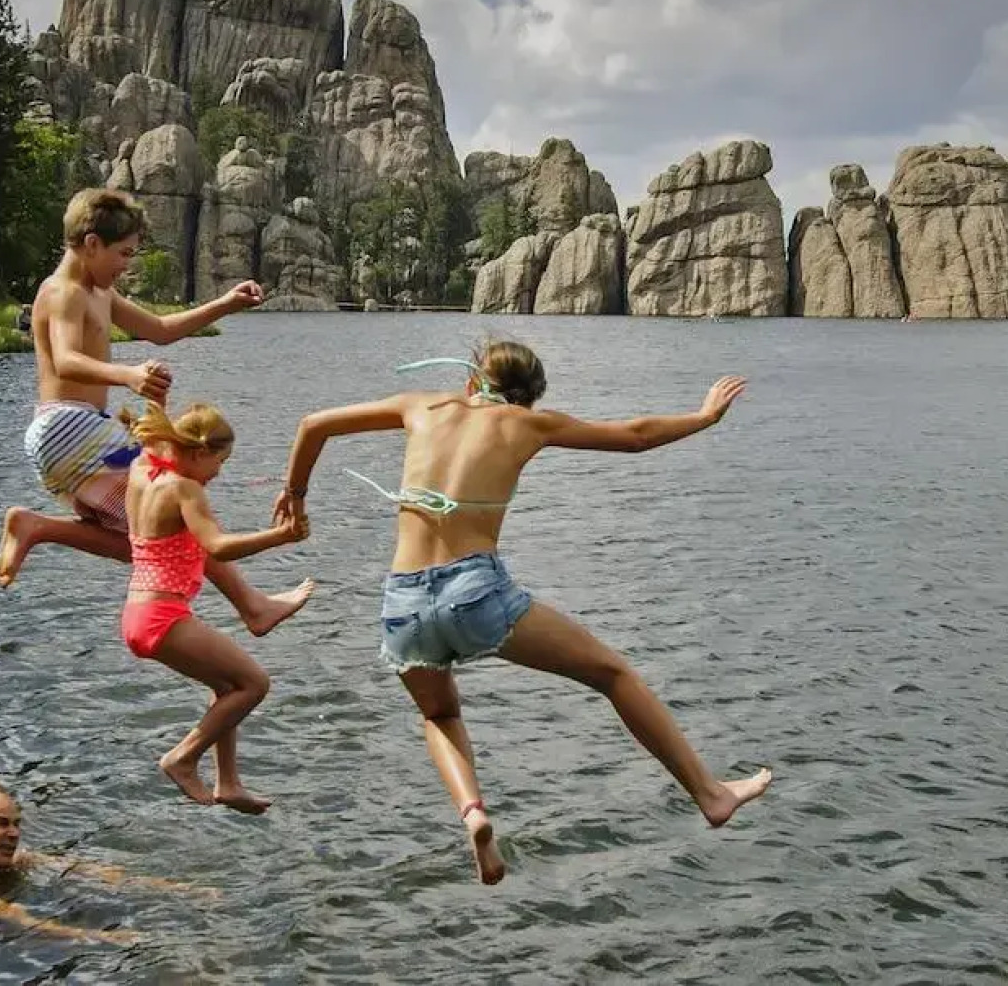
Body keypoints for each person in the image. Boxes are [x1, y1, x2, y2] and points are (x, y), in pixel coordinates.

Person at [274, 341, 772, 885]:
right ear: (528, 398)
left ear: (471, 380)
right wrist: (703, 417)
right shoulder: (526, 425)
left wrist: (295, 494)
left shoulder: (419, 405)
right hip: (474, 592)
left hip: (404, 602)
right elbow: (636, 437)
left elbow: (313, 423)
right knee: (612, 674)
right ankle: (710, 793)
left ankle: (474, 814)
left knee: (439, 716)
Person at [0, 188, 312, 640]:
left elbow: (160, 331)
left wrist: (225, 303)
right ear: (91, 244)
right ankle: (252, 606)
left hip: (65, 438)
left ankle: (37, 526)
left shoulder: (98, 291)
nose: (127, 264)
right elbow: (64, 359)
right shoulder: (64, 293)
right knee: (175, 512)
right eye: (122, 254)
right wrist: (126, 375)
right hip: (71, 427)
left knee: (143, 539)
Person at [125, 401, 308, 813]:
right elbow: (217, 546)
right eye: (220, 461)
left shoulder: (145, 469)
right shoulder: (183, 488)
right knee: (254, 684)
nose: (219, 472)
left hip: (138, 614)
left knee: (227, 687)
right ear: (198, 452)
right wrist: (281, 536)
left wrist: (157, 397)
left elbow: (155, 437)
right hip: (162, 616)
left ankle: (228, 783)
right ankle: (183, 758)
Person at [0, 782, 194, 944]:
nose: (13, 833)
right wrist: (109, 938)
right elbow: (31, 924)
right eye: (1, 824)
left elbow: (76, 868)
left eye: (16, 824)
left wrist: (175, 889)